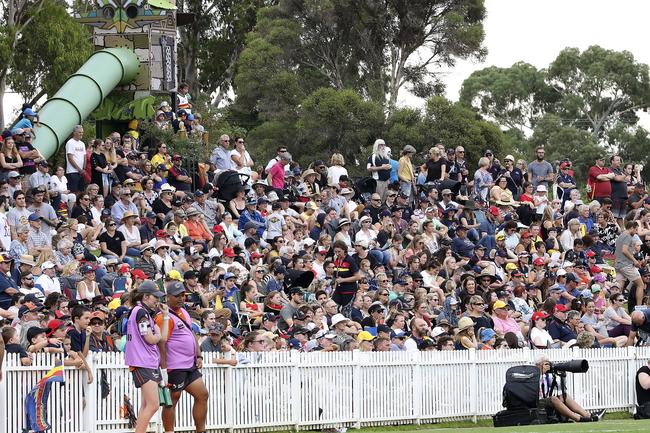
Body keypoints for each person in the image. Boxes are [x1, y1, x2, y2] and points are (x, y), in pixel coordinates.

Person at [156, 281, 209, 433]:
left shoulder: (184, 311)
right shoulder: (163, 317)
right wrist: (164, 369)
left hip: (189, 364)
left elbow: (191, 333)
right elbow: (161, 343)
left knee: (202, 394)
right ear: (167, 297)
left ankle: (201, 430)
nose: (181, 299)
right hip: (174, 365)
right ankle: (169, 431)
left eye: (183, 295)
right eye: (177, 296)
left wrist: (198, 355)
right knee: (172, 400)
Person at [125, 281, 168, 433]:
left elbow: (162, 337)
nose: (158, 300)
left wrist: (165, 316)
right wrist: (156, 333)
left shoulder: (141, 311)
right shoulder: (141, 312)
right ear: (146, 296)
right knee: (153, 405)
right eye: (155, 297)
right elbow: (151, 338)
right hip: (143, 361)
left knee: (146, 405)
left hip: (145, 362)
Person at [536, 355, 605, 422]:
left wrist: (561, 374)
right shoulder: (534, 375)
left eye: (549, 363)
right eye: (545, 364)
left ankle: (587, 415)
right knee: (554, 398)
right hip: (536, 402)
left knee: (564, 395)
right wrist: (541, 373)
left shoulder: (547, 376)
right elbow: (535, 386)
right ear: (538, 365)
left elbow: (560, 386)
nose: (548, 366)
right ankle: (577, 418)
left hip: (545, 400)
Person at [65, 125, 86, 193]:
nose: (81, 134)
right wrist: (79, 169)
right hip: (72, 171)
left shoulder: (82, 144)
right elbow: (70, 158)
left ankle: (77, 203)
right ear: (74, 133)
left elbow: (84, 157)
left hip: (81, 172)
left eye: (82, 132)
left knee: (81, 190)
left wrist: (83, 169)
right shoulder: (70, 143)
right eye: (79, 132)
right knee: (73, 191)